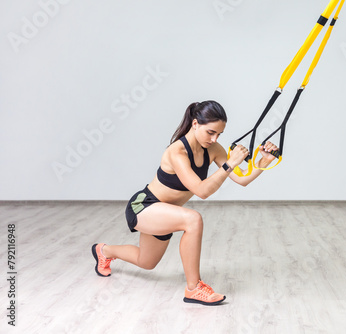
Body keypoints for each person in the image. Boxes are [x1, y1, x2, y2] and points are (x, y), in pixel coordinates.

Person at [92, 100, 278, 306]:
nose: (215, 139)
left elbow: (242, 179)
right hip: (143, 206)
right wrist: (230, 163)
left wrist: (263, 162)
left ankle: (104, 251)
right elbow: (202, 191)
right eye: (210, 132)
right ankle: (194, 288)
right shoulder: (177, 152)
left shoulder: (214, 149)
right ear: (195, 124)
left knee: (146, 262)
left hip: (166, 214)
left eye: (219, 134)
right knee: (193, 219)